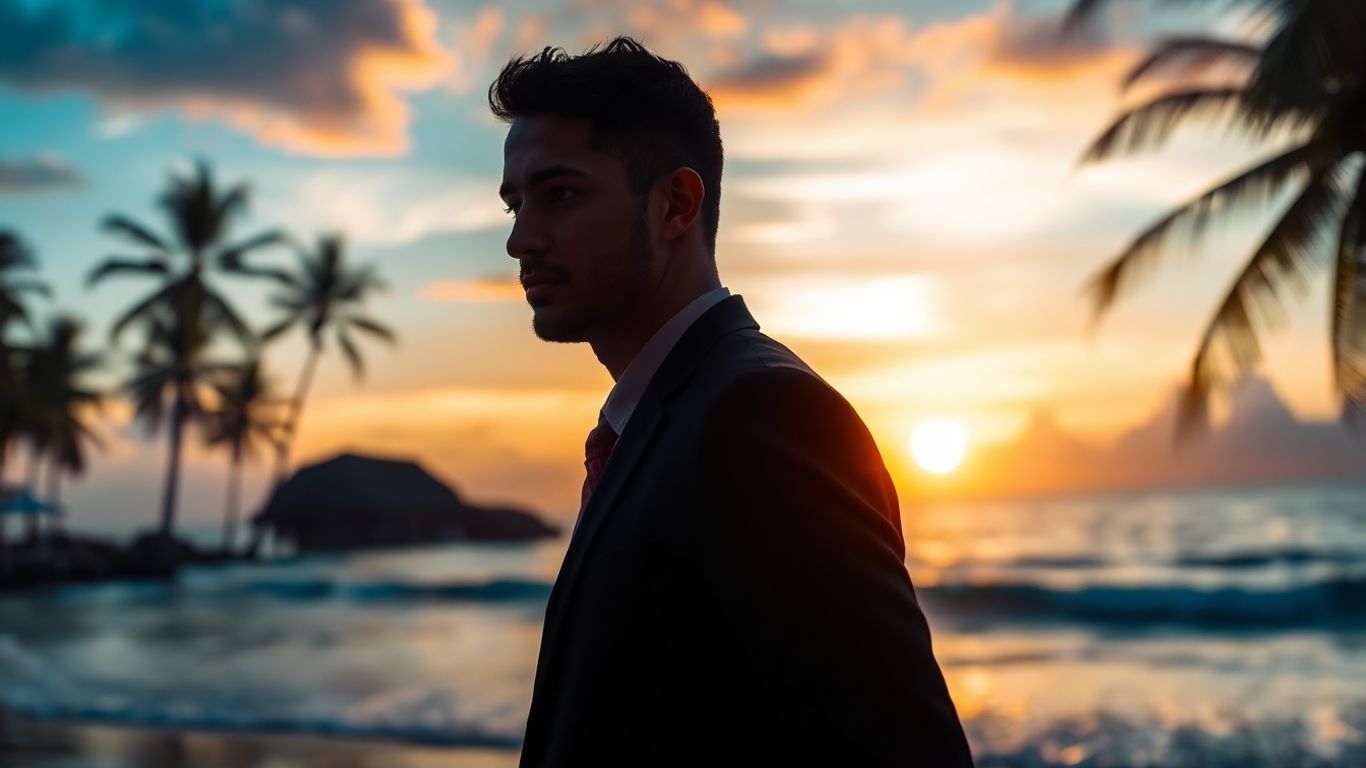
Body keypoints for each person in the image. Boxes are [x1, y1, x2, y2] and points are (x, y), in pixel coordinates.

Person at [491, 36, 974, 767]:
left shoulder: (761, 416)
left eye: (560, 195)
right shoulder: (666, 418)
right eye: (515, 204)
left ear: (676, 205)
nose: (521, 239)